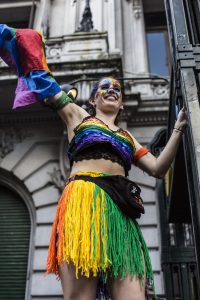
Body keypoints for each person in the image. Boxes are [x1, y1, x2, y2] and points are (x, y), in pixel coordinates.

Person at [0, 24, 187, 300]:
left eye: (117, 89)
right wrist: (20, 42)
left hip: (121, 218)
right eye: (105, 87)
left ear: (121, 103)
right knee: (80, 297)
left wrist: (179, 129)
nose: (111, 90)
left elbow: (159, 169)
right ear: (94, 97)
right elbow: (45, 83)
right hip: (83, 203)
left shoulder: (127, 137)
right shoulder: (76, 116)